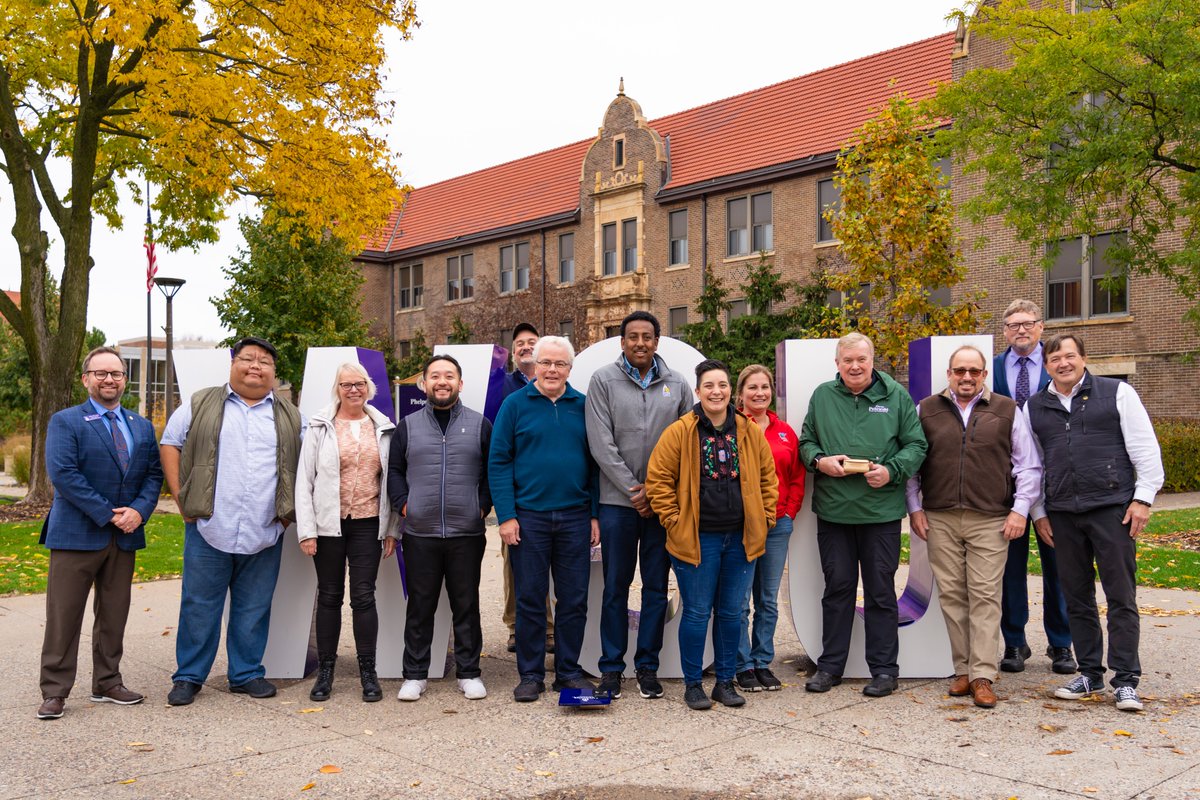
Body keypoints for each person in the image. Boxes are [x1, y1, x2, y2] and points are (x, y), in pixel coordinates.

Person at [159, 336, 303, 706]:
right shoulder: (201, 403)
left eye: (265, 362)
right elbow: (171, 443)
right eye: (248, 359)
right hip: (209, 526)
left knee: (254, 607)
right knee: (198, 605)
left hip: (265, 529)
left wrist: (286, 519)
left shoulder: (289, 415)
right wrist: (180, 497)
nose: (255, 366)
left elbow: (302, 466)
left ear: (274, 372)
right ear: (233, 363)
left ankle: (246, 674)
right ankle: (189, 676)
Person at [1024, 334, 1163, 712]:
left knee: (1120, 596)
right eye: (1055, 358)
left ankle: (1126, 680)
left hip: (1112, 509)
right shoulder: (1034, 407)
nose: (1063, 363)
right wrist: (1039, 513)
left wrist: (1143, 499)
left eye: (1070, 355)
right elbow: (1032, 466)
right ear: (1047, 364)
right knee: (1077, 596)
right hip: (1063, 514)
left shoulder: (1116, 393)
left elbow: (1146, 449)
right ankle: (1089, 673)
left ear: (1083, 358)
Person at [906, 346, 1042, 708]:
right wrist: (915, 508)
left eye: (974, 371)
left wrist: (1019, 511)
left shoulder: (1006, 410)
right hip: (940, 517)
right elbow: (913, 465)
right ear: (949, 373)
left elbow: (1027, 466)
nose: (967, 377)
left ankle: (983, 674)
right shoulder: (927, 409)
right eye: (960, 370)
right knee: (952, 596)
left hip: (991, 519)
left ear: (984, 375)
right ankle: (962, 669)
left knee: (984, 596)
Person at [36, 347, 163, 720]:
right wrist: (110, 515)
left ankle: (107, 682)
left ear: (125, 379)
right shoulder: (66, 421)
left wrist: (139, 511)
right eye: (101, 373)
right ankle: (55, 691)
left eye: (116, 373)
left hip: (124, 538)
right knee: (64, 616)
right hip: (77, 534)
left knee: (113, 614)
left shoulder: (140, 426)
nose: (109, 379)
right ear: (86, 379)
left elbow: (153, 475)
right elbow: (64, 475)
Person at [799, 332, 927, 698]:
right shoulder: (823, 396)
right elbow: (806, 443)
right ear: (837, 364)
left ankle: (885, 671)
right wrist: (820, 461)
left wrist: (891, 471)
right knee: (837, 589)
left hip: (880, 512)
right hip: (835, 512)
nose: (855, 366)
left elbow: (917, 445)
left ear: (873, 361)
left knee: (881, 593)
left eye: (861, 360)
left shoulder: (895, 396)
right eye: (847, 360)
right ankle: (830, 667)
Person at [646, 359, 778, 711]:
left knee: (732, 612)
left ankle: (724, 682)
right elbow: (657, 480)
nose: (716, 391)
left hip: (741, 538)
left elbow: (768, 478)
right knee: (697, 613)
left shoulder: (748, 431)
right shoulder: (681, 431)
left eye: (721, 385)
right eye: (709, 386)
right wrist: (674, 520)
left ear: (729, 390)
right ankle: (693, 685)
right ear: (698, 391)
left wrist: (765, 517)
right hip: (697, 539)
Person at [586, 311, 691, 700]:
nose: (641, 343)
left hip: (661, 506)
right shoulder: (603, 381)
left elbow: (686, 445)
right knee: (614, 586)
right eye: (633, 337)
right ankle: (611, 668)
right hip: (617, 503)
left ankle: (647, 666)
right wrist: (635, 489)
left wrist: (657, 492)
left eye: (648, 336)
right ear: (622, 342)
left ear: (657, 342)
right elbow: (601, 443)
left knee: (655, 587)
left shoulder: (678, 384)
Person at [489, 335, 600, 702]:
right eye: (546, 363)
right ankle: (531, 674)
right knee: (531, 599)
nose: (553, 370)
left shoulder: (583, 406)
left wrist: (595, 515)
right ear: (534, 365)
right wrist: (506, 515)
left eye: (560, 364)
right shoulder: (514, 405)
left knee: (573, 599)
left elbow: (596, 465)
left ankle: (568, 672)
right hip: (528, 519)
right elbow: (499, 461)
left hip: (575, 517)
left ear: (570, 368)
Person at [388, 354, 493, 702]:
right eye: (435, 376)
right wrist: (405, 504)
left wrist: (481, 507)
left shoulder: (480, 425)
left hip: (466, 532)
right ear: (424, 384)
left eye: (449, 376)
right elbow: (395, 472)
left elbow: (491, 473)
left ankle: (469, 672)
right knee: (420, 605)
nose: (442, 382)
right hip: (420, 532)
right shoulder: (408, 426)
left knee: (466, 603)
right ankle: (415, 675)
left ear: (460, 384)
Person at [295, 362, 399, 703]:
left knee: (364, 597)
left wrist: (391, 529)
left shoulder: (383, 426)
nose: (353, 390)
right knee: (328, 596)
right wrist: (307, 530)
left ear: (368, 387)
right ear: (336, 389)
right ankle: (326, 672)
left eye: (358, 383)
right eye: (345, 385)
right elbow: (304, 481)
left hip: (369, 523)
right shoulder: (320, 426)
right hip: (328, 525)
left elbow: (392, 481)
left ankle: (368, 671)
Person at [993, 299, 1075, 675]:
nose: (1020, 330)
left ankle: (1061, 644)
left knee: (1059, 565)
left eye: (1027, 323)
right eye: (1013, 325)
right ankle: (1014, 642)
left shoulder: (1057, 364)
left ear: (1041, 327)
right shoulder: (990, 369)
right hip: (1003, 485)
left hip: (1057, 486)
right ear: (1005, 330)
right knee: (1009, 568)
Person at [733, 364, 804, 693]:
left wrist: (789, 512)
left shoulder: (785, 431)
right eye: (752, 387)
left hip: (777, 525)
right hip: (741, 525)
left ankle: (763, 661)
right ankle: (742, 664)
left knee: (768, 600)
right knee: (739, 599)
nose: (759, 393)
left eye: (765, 387)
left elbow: (796, 476)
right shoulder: (730, 428)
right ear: (741, 393)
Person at [500, 322, 554, 656]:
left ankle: (548, 628)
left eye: (531, 342)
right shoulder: (503, 387)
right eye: (519, 343)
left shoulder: (558, 386)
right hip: (517, 493)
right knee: (514, 563)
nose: (524, 347)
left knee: (550, 565)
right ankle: (516, 626)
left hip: (552, 493)